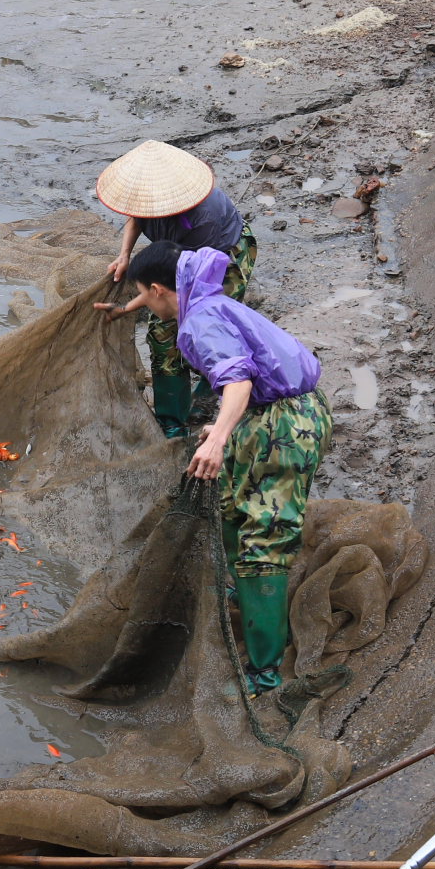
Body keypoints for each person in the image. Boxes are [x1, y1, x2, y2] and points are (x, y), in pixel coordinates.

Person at [97, 239, 331, 692]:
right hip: (281, 408)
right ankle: (236, 592)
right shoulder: (209, 301)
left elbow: (238, 380)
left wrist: (220, 435)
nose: (142, 303)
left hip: (286, 421)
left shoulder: (199, 321)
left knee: (262, 535)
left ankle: (263, 673)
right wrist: (224, 428)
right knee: (226, 499)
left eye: (142, 294)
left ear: (161, 289)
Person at [96, 140, 258, 439]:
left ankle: (211, 389)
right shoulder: (146, 199)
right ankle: (172, 421)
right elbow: (137, 217)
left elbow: (177, 288)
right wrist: (124, 255)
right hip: (176, 259)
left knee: (208, 328)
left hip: (224, 254)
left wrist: (129, 307)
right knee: (162, 338)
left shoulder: (203, 220)